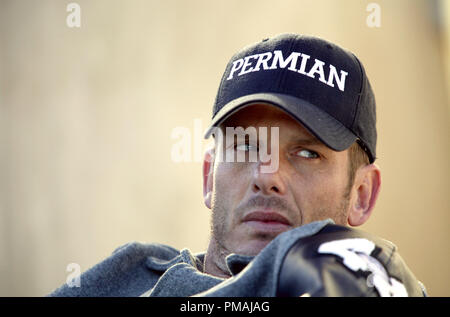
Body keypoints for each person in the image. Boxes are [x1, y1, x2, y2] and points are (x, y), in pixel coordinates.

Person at [49, 33, 426, 297]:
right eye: (244, 146)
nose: (267, 176)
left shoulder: (374, 280)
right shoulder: (125, 276)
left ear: (361, 194)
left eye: (308, 153)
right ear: (208, 176)